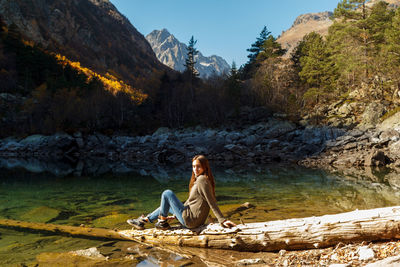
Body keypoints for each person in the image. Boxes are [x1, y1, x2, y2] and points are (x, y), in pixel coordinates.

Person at [127, 155, 236, 230]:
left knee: (167, 193)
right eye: (193, 166)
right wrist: (176, 214)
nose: (195, 169)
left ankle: (162, 223)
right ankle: (144, 221)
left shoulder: (202, 180)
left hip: (191, 220)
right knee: (164, 206)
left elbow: (211, 201)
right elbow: (192, 203)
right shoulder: (200, 180)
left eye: (198, 166)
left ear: (204, 167)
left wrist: (222, 220)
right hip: (192, 218)